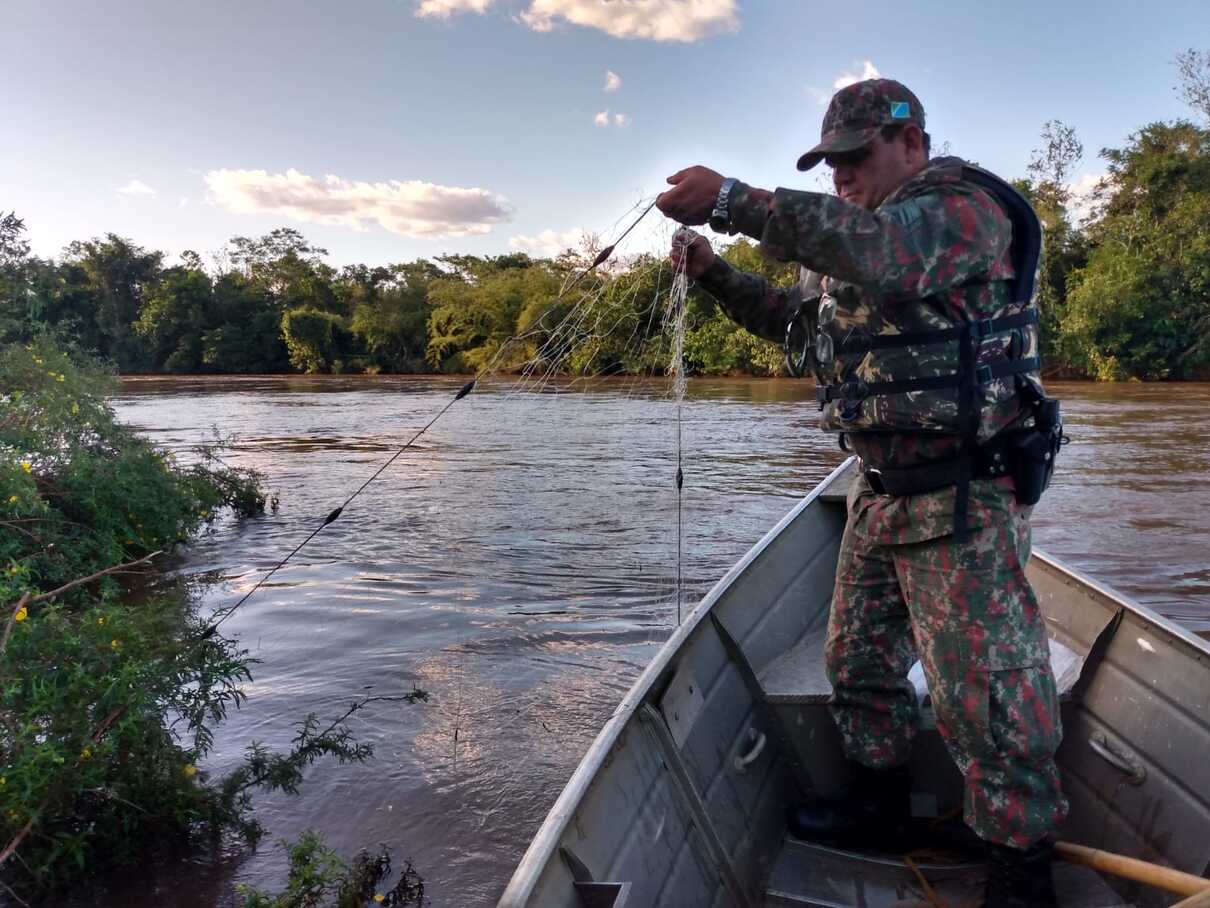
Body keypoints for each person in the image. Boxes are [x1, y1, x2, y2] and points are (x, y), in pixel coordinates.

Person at [655, 78, 1067, 908]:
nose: (841, 175)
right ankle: (879, 808)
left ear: (910, 143)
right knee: (858, 662)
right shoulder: (851, 243)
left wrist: (734, 199)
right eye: (830, 162)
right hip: (880, 492)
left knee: (984, 691)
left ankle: (1020, 863)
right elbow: (795, 324)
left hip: (965, 497)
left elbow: (887, 254)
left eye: (855, 156)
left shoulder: (961, 212)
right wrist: (712, 272)